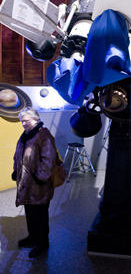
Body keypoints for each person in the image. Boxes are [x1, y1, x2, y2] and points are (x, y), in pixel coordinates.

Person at [11, 107, 57, 258]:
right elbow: (17, 154)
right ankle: (32, 237)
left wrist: (41, 177)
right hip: (25, 182)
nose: (23, 123)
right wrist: (15, 171)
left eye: (26, 120)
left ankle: (42, 243)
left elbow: (48, 158)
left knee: (40, 215)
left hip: (38, 184)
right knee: (30, 212)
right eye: (21, 121)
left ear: (35, 119)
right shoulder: (25, 135)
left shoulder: (44, 135)